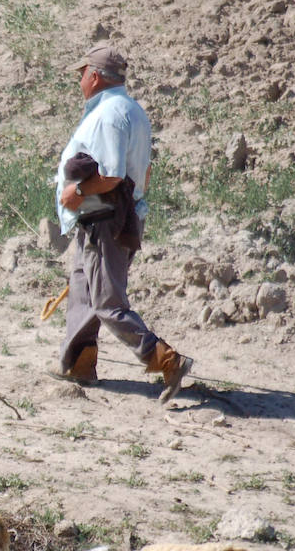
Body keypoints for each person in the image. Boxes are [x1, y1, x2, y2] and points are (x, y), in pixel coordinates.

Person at [51, 43, 192, 403]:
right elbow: (143, 171)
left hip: (104, 218)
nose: (79, 80)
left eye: (82, 73)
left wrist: (76, 193)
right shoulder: (130, 111)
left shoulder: (111, 115)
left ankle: (165, 359)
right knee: (83, 292)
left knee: (107, 302)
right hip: (105, 217)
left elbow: (111, 175)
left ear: (94, 76)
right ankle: (78, 366)